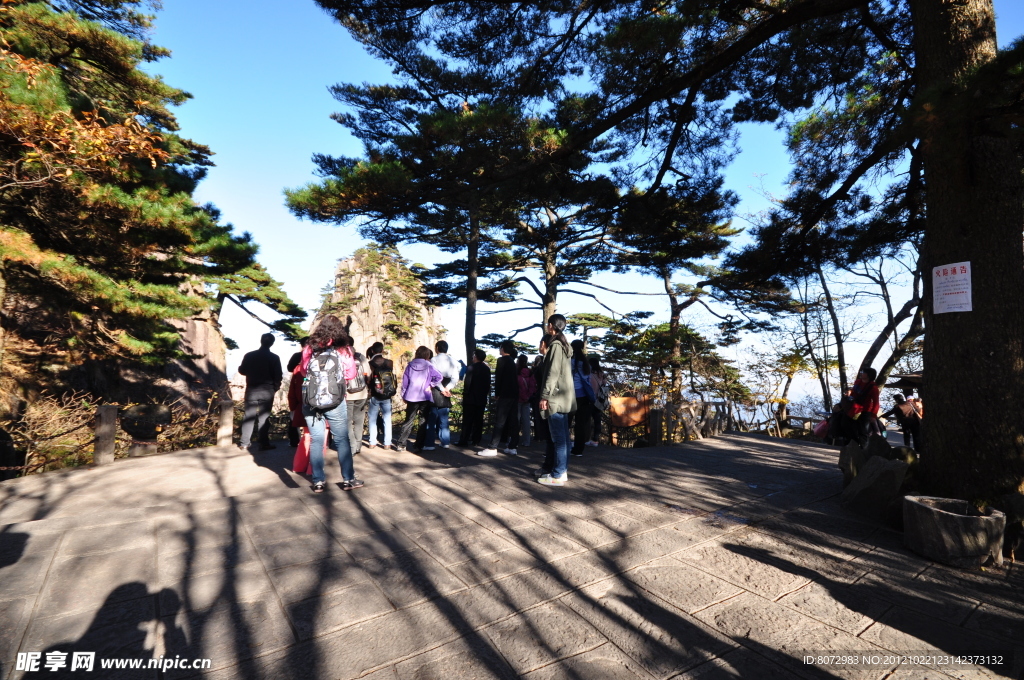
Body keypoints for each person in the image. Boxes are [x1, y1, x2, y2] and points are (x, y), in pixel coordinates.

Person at [300, 315, 363, 493]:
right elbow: (350, 374)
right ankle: (348, 479)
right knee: (342, 439)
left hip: (311, 401)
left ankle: (318, 481)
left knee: (317, 440)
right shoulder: (344, 349)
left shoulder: (309, 347)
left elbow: (304, 371)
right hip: (335, 400)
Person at [534, 315, 576, 485]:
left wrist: (544, 396)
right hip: (564, 398)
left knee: (559, 439)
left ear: (551, 326)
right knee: (563, 438)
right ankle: (561, 472)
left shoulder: (556, 346)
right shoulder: (565, 345)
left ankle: (558, 474)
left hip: (555, 398)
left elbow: (552, 373)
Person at [395, 346, 448, 452]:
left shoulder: (410, 365)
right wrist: (431, 384)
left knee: (409, 420)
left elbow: (405, 382)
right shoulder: (429, 365)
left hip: (411, 396)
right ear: (427, 355)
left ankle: (401, 444)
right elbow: (439, 377)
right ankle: (418, 445)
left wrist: (403, 395)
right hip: (425, 396)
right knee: (423, 421)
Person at [237, 333, 283, 451]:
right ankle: (264, 443)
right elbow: (278, 376)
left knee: (249, 416)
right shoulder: (274, 357)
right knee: (264, 417)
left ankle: (244, 443)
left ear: (260, 341)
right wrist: (275, 388)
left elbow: (242, 371)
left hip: (251, 390)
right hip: (267, 391)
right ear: (272, 343)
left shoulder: (249, 355)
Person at [478, 340, 521, 457]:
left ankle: (493, 447)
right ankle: (513, 446)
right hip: (514, 394)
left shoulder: (501, 360)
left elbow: (499, 377)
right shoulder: (512, 361)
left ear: (502, 349)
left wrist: (497, 393)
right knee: (513, 421)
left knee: (499, 421)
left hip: (505, 394)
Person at [423, 340, 460, 450]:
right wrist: (447, 388)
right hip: (447, 389)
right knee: (444, 418)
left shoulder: (434, 360)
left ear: (437, 348)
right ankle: (445, 442)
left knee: (432, 418)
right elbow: (455, 377)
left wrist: (441, 388)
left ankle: (430, 444)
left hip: (436, 389)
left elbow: (434, 377)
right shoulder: (453, 360)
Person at [365, 342, 396, 451]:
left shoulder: (370, 363)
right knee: (387, 419)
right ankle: (387, 443)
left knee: (372, 418)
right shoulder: (389, 363)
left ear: (372, 351)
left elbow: (368, 379)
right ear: (382, 350)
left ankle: (372, 442)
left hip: (374, 394)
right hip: (387, 395)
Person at [458, 349, 491, 447]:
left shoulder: (471, 368)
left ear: (476, 356)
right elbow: (488, 384)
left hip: (470, 398)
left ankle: (464, 440)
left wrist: (465, 394)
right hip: (481, 398)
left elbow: (467, 383)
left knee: (467, 420)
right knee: (479, 420)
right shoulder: (486, 368)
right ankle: (476, 440)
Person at [569, 339, 595, 457]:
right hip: (584, 396)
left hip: (571, 395)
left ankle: (565, 446)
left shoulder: (570, 362)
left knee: (566, 422)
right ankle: (579, 449)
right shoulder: (586, 363)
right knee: (580, 424)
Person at [345, 336, 371, 456]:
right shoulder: (360, 356)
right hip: (362, 393)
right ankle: (358, 445)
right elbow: (368, 373)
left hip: (347, 395)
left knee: (348, 422)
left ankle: (352, 446)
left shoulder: (341, 356)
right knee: (359, 421)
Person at [844, 367, 880, 447]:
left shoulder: (873, 387)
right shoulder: (857, 382)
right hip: (854, 408)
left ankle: (864, 448)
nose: (861, 373)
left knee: (863, 430)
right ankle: (853, 445)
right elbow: (854, 392)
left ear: (869, 375)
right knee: (848, 426)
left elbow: (876, 402)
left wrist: (873, 415)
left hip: (866, 411)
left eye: (863, 372)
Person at [285, 337, 308, 447]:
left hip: (298, 387)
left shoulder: (297, 356)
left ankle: (294, 441)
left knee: (294, 416)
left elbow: (289, 368)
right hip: (313, 391)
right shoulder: (317, 356)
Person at [515, 354, 536, 448]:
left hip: (518, 399)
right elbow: (532, 386)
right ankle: (526, 441)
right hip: (527, 400)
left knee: (516, 420)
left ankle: (514, 440)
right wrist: (528, 396)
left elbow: (518, 387)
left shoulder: (517, 372)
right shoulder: (530, 373)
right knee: (526, 421)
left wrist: (523, 396)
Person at [587, 355, 607, 446]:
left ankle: (586, 438)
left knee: (586, 420)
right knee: (597, 420)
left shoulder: (588, 374)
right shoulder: (601, 374)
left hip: (589, 399)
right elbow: (604, 385)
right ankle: (595, 439)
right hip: (599, 400)